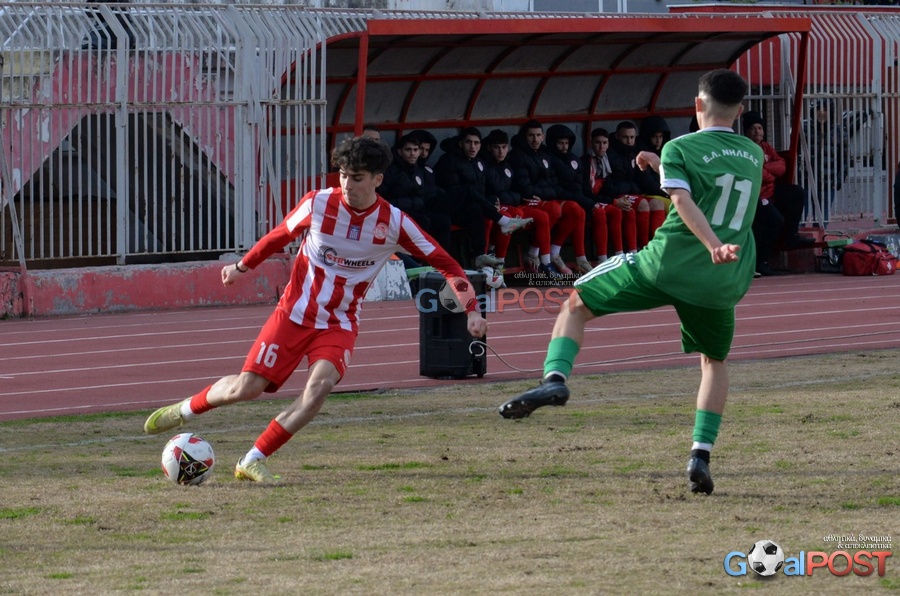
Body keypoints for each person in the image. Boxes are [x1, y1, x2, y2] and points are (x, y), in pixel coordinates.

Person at [143, 136, 488, 482]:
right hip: (293, 315)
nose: (347, 184)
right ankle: (185, 409)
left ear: (377, 179)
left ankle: (253, 459)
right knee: (246, 389)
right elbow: (279, 235)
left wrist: (471, 309)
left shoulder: (394, 223)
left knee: (319, 387)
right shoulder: (318, 203)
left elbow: (447, 263)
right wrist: (242, 267)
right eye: (343, 175)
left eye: (356, 178)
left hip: (340, 323)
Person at [498, 69, 763, 496]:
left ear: (697, 105)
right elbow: (714, 185)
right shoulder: (753, 153)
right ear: (742, 109)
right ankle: (700, 454)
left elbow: (683, 200)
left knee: (575, 303)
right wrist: (660, 165)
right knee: (713, 362)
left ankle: (555, 380)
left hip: (668, 264)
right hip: (721, 279)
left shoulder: (681, 146)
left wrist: (711, 243)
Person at [433, 127, 531, 269]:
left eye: (476, 143)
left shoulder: (478, 162)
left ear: (480, 145)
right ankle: (503, 221)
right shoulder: (449, 160)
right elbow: (453, 191)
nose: (472, 147)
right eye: (468, 142)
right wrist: (488, 205)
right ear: (461, 143)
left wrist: (490, 201)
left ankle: (480, 255)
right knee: (468, 190)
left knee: (476, 209)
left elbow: (481, 191)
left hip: (464, 208)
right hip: (445, 206)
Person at [508, 119, 586, 275]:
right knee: (553, 209)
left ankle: (554, 252)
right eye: (531, 135)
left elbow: (553, 182)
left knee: (577, 210)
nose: (535, 139)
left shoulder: (545, 154)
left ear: (543, 136)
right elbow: (525, 188)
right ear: (524, 136)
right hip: (526, 202)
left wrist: (547, 193)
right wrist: (548, 193)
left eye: (538, 135)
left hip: (545, 197)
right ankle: (540, 257)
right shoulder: (517, 155)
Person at [742, 111, 814, 276]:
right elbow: (755, 174)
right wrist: (769, 174)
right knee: (775, 220)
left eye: (760, 128)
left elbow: (781, 166)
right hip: (757, 196)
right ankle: (761, 262)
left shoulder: (766, 147)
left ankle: (791, 236)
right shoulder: (744, 148)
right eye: (753, 128)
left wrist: (765, 168)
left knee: (796, 193)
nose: (757, 131)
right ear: (746, 131)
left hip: (771, 191)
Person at [480, 128, 556, 280]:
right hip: (492, 207)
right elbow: (492, 192)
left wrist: (512, 197)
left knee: (541, 215)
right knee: (512, 215)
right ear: (489, 148)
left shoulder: (508, 165)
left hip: (511, 203)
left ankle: (545, 262)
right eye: (496, 147)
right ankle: (498, 263)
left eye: (504, 147)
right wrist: (507, 198)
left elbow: (517, 191)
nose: (501, 151)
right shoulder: (484, 166)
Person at [379, 132, 452, 252]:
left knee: (443, 221)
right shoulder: (391, 170)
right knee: (423, 221)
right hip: (397, 212)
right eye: (408, 150)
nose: (412, 153)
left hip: (417, 209)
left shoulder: (419, 170)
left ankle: (441, 256)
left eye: (415, 150)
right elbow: (382, 195)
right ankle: (419, 258)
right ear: (399, 151)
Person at [606, 120, 667, 250]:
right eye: (625, 137)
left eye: (632, 137)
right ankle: (643, 247)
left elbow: (641, 176)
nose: (629, 141)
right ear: (617, 136)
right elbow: (610, 182)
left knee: (658, 203)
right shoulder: (610, 153)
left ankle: (659, 246)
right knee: (643, 204)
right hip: (616, 194)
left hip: (633, 192)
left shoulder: (635, 152)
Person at [581, 127, 626, 263]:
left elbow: (610, 188)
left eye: (605, 143)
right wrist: (612, 201)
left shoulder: (608, 161)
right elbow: (586, 192)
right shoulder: (584, 162)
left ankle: (620, 255)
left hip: (602, 199)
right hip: (587, 201)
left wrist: (616, 199)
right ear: (591, 143)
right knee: (600, 212)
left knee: (618, 210)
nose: (601, 146)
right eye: (598, 142)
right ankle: (602, 259)